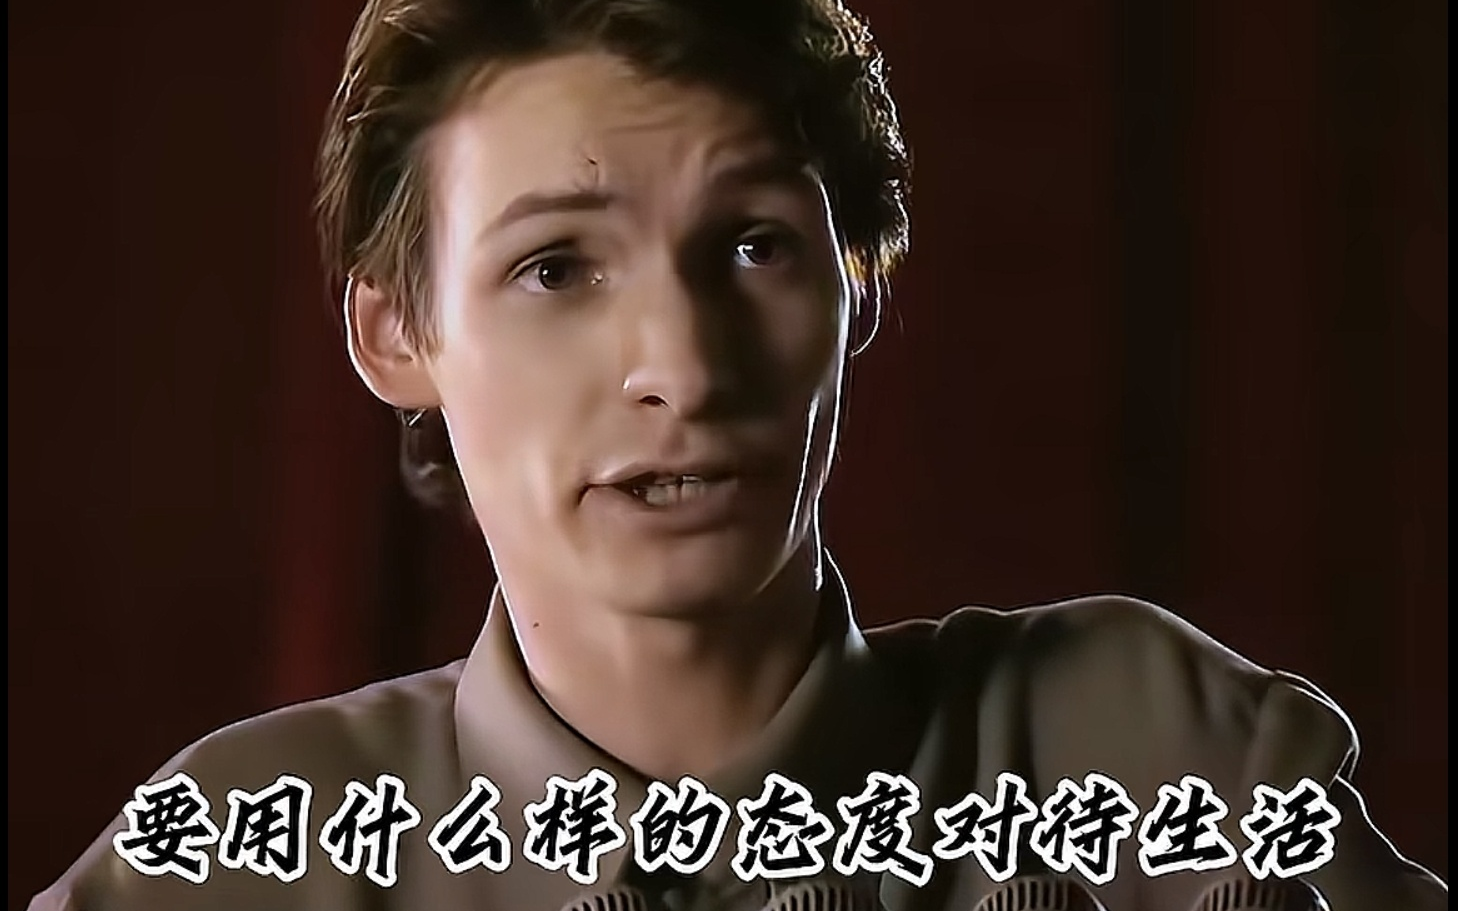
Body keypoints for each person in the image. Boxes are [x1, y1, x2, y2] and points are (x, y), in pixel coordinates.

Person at [30, 1, 1446, 909]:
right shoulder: (226, 865)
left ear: (859, 287)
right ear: (396, 333)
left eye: (757, 246)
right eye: (555, 267)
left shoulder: (1159, 768)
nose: (684, 369)